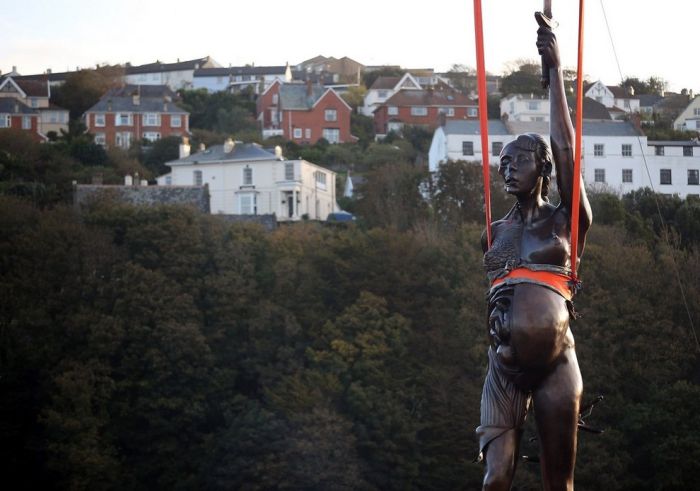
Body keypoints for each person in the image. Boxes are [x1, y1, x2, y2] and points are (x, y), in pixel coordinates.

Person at [475, 16, 593, 491]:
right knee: (495, 478)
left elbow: (567, 147)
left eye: (516, 161)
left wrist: (555, 75)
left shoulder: (564, 223)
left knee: (557, 483)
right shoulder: (494, 232)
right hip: (503, 364)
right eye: (501, 163)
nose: (506, 170)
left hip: (556, 364)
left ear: (541, 168)